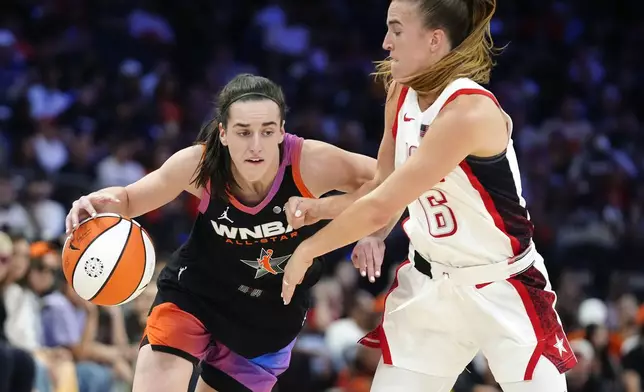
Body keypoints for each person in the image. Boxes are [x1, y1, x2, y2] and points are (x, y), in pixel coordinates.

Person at [280, 0, 578, 391]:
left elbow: (382, 205)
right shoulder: (399, 91)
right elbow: (381, 189)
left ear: (435, 40)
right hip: (430, 285)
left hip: (502, 286)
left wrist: (308, 249)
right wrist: (318, 210)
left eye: (397, 30)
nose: (386, 42)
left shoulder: (468, 113)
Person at [64, 73, 377, 392]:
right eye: (243, 132)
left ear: (281, 131)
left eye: (267, 131)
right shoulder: (200, 165)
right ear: (224, 133)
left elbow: (389, 183)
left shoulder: (311, 162)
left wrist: (372, 230)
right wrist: (99, 202)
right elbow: (131, 199)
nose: (256, 145)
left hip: (268, 319)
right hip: (194, 295)